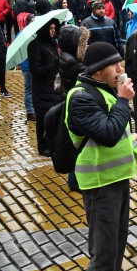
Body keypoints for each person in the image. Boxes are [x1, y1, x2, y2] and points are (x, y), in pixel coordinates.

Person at [66, 42, 137, 271]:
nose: (121, 69)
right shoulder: (80, 97)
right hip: (100, 185)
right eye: (115, 64)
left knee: (116, 246)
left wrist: (135, 141)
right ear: (98, 70)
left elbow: (115, 133)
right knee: (103, 253)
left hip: (118, 179)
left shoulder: (104, 90)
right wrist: (123, 101)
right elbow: (108, 134)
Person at [57, 24, 89, 192]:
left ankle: (74, 179)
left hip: (70, 99)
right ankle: (75, 181)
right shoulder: (72, 62)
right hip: (75, 101)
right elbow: (87, 74)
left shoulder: (68, 56)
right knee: (77, 145)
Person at [28, 19, 62, 157]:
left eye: (54, 28)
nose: (53, 31)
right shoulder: (34, 45)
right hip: (42, 89)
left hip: (55, 87)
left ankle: (53, 143)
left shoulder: (53, 43)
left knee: (54, 118)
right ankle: (42, 146)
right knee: (42, 119)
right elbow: (36, 70)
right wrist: (54, 64)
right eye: (50, 28)